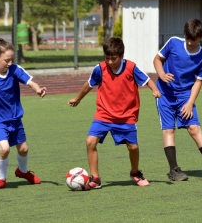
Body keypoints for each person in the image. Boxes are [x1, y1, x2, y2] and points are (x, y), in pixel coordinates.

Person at [68, 37, 161, 189]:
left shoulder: (131, 67)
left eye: (114, 58)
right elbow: (89, 84)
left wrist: (155, 90)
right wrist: (78, 98)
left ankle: (135, 172)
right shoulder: (100, 69)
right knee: (90, 141)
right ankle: (95, 178)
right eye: (107, 58)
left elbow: (147, 80)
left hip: (126, 116)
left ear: (121, 56)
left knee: (133, 147)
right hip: (104, 114)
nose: (110, 62)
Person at [0, 38, 47, 190]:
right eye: (6, 60)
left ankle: (22, 172)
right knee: (4, 148)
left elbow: (30, 82)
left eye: (11, 59)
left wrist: (37, 89)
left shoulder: (15, 69)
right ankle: (1, 180)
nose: (10, 63)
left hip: (15, 118)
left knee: (24, 149)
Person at [153, 19, 202, 181]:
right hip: (165, 95)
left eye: (194, 39)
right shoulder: (174, 43)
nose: (190, 42)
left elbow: (198, 81)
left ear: (201, 38)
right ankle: (174, 170)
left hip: (185, 96)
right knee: (169, 130)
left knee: (194, 129)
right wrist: (162, 74)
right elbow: (157, 59)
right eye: (188, 38)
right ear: (185, 34)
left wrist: (190, 103)